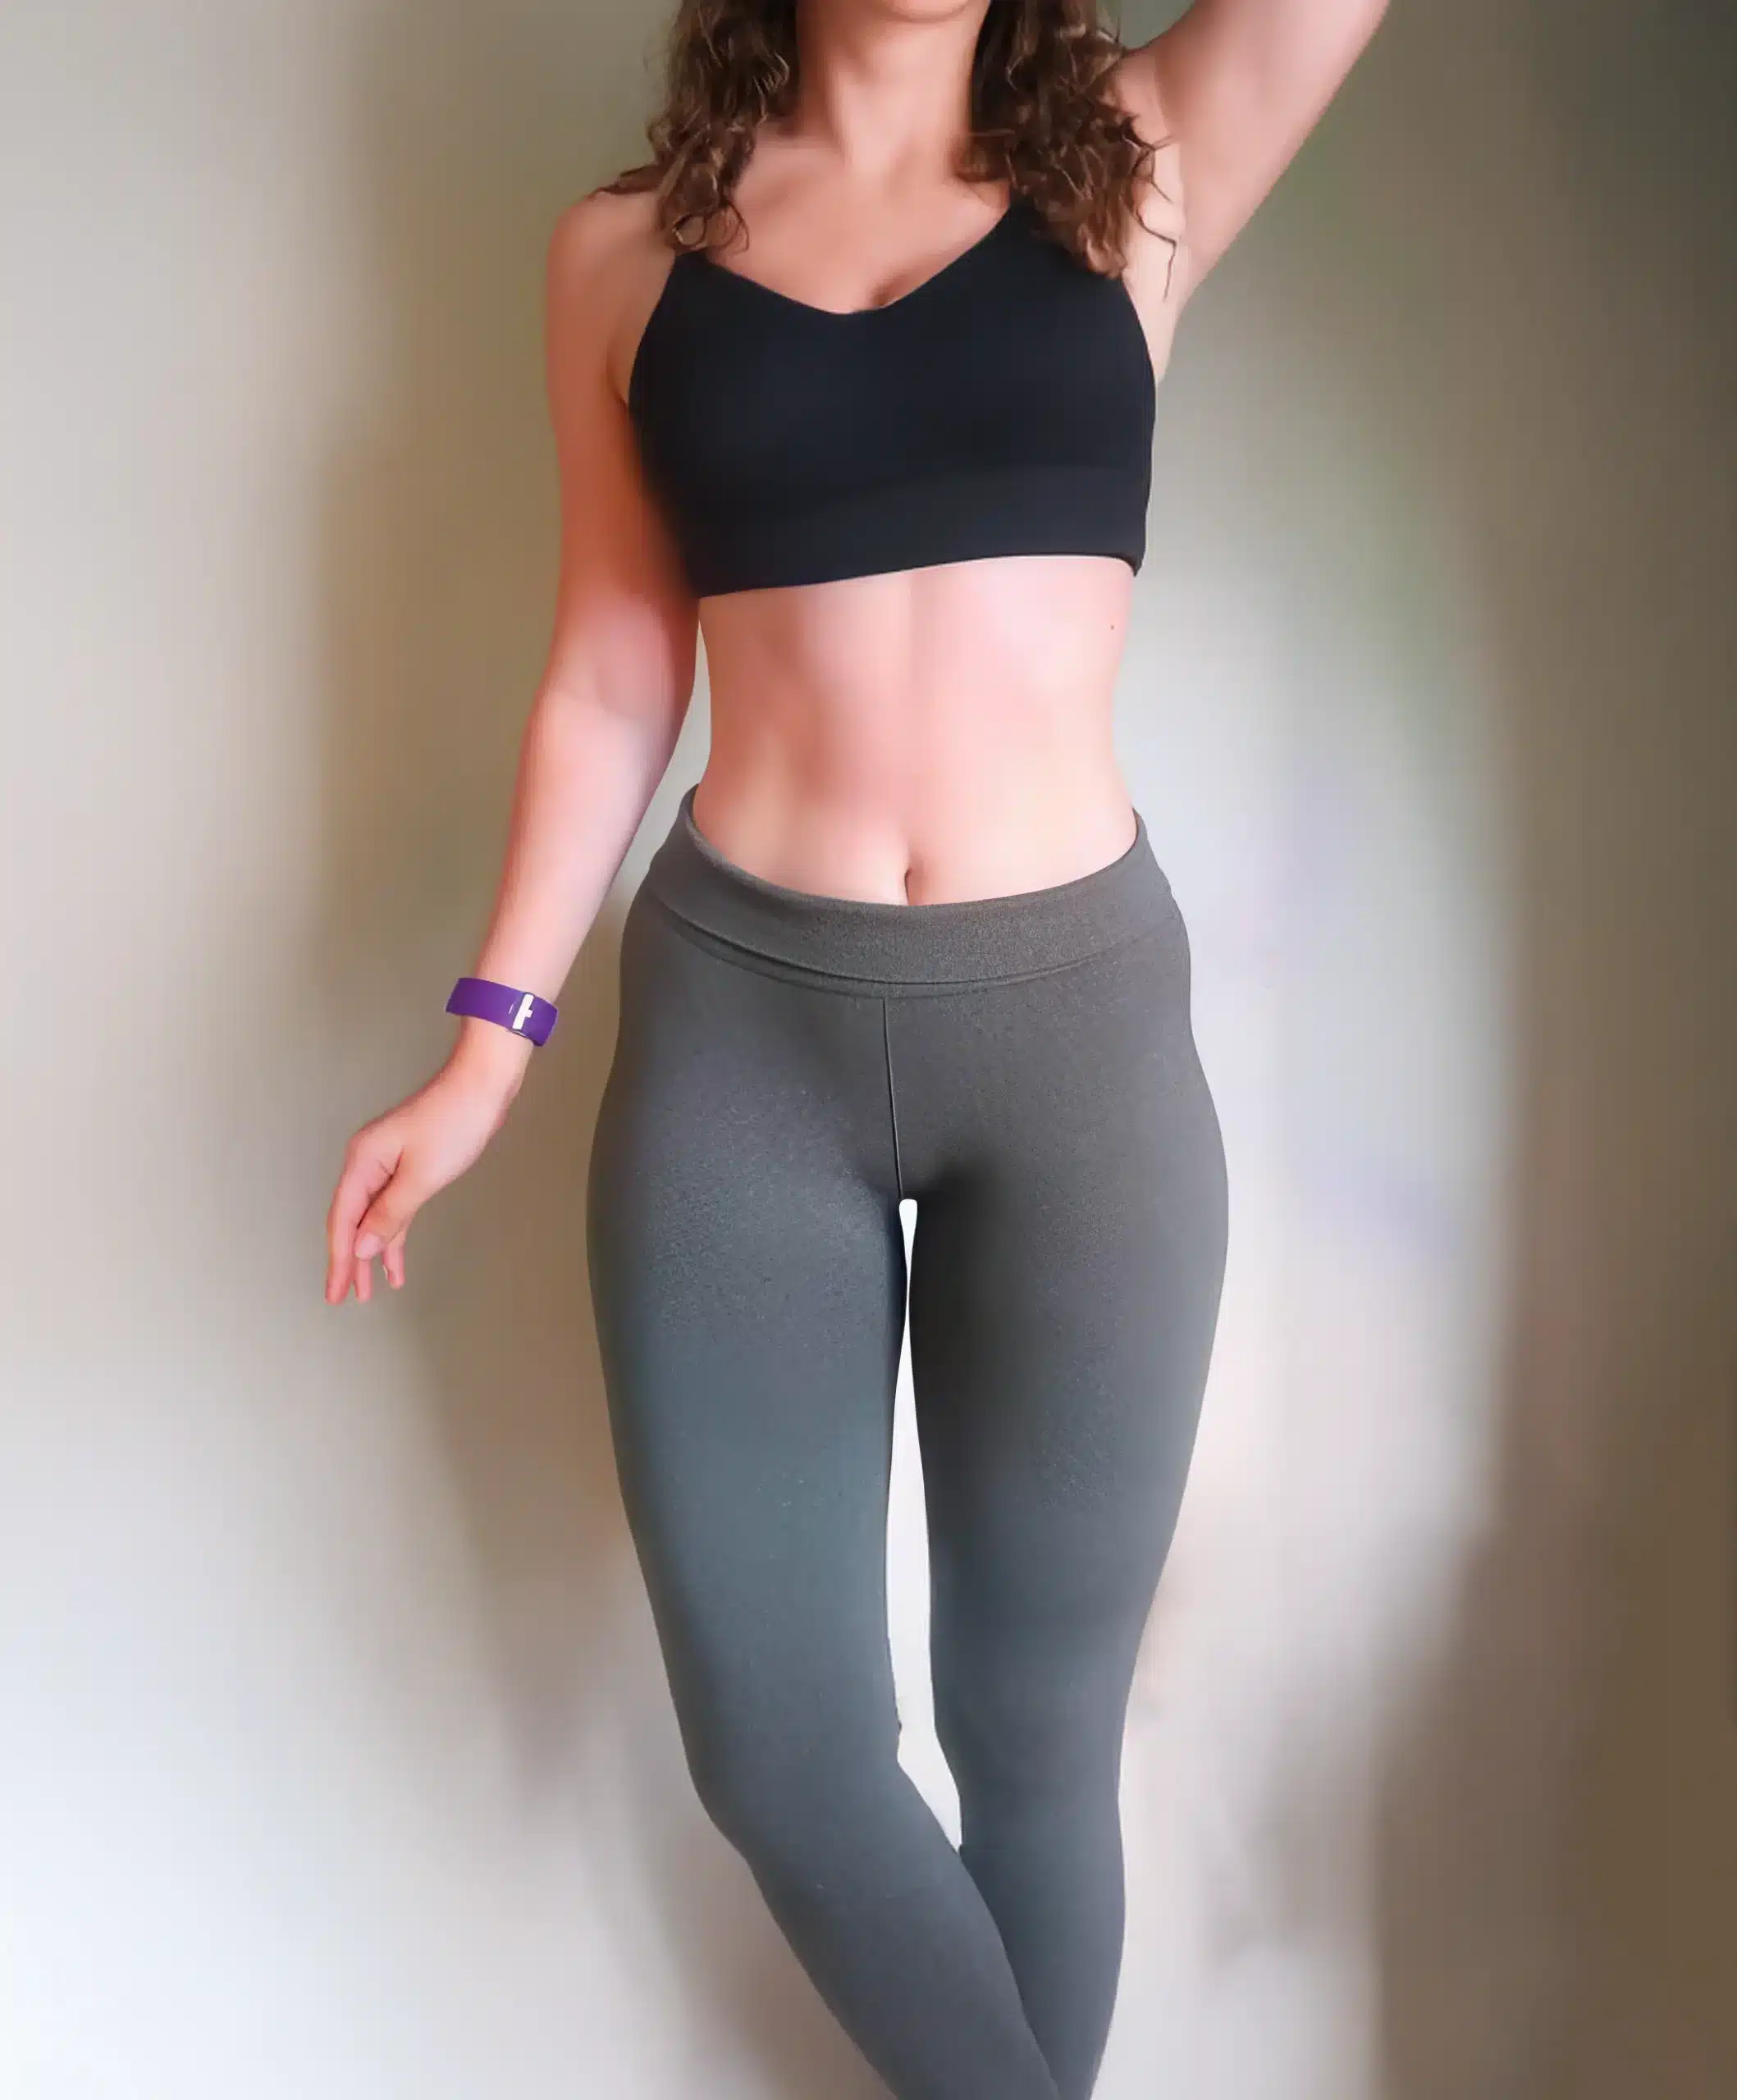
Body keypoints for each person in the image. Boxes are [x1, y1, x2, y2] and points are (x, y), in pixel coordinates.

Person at [324, 3, 1388, 2093]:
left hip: (1074, 1040)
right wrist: (488, 1045)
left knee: (1032, 1727)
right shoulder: (623, 256)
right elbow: (612, 668)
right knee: (782, 1750)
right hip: (747, 1041)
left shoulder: (1144, 161)